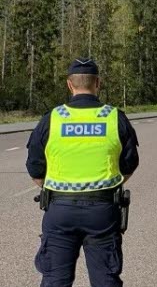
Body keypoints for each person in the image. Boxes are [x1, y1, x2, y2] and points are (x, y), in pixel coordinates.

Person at [26, 58, 139, 286]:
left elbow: (35, 169)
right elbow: (128, 165)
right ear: (98, 83)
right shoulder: (114, 117)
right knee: (106, 278)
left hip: (59, 212)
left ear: (70, 85)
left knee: (55, 279)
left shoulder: (52, 119)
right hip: (103, 212)